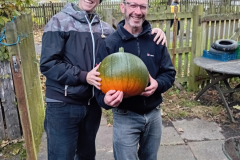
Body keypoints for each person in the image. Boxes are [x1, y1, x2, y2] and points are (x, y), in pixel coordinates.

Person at [40, 0, 167, 159]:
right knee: (61, 156)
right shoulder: (58, 22)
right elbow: (48, 64)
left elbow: (128, 40)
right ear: (123, 6)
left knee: (86, 156)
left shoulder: (105, 29)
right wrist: (84, 76)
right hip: (63, 104)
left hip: (91, 104)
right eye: (133, 5)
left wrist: (152, 32)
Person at [95, 0, 176, 159]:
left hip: (154, 115)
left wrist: (157, 84)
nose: (138, 11)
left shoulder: (156, 39)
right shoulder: (109, 44)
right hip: (125, 116)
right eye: (133, 5)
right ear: (123, 7)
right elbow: (98, 86)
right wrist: (105, 100)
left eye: (142, 6)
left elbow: (169, 74)